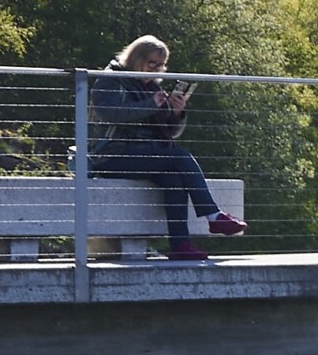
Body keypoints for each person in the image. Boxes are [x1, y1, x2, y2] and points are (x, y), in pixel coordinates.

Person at [94, 36, 244, 260]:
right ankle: (213, 216)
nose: (156, 69)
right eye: (152, 63)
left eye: (160, 65)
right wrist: (150, 104)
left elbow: (167, 131)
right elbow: (112, 115)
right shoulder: (111, 80)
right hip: (113, 155)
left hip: (146, 155)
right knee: (181, 157)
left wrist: (176, 113)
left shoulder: (152, 87)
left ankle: (180, 245)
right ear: (136, 58)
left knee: (174, 177)